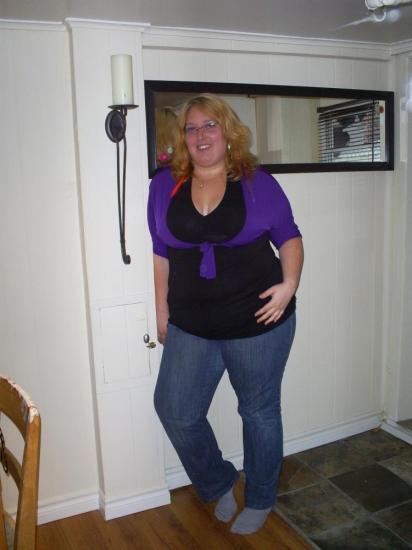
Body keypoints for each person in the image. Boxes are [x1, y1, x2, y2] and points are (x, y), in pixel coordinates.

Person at [147, 94, 303, 535]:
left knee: (258, 412)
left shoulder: (257, 182)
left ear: (228, 132)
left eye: (210, 125)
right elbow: (160, 252)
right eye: (192, 128)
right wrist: (161, 308)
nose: (201, 135)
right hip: (191, 323)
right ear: (183, 138)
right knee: (175, 409)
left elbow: (289, 238)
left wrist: (289, 285)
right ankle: (218, 482)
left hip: (258, 322)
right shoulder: (163, 185)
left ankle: (261, 496)